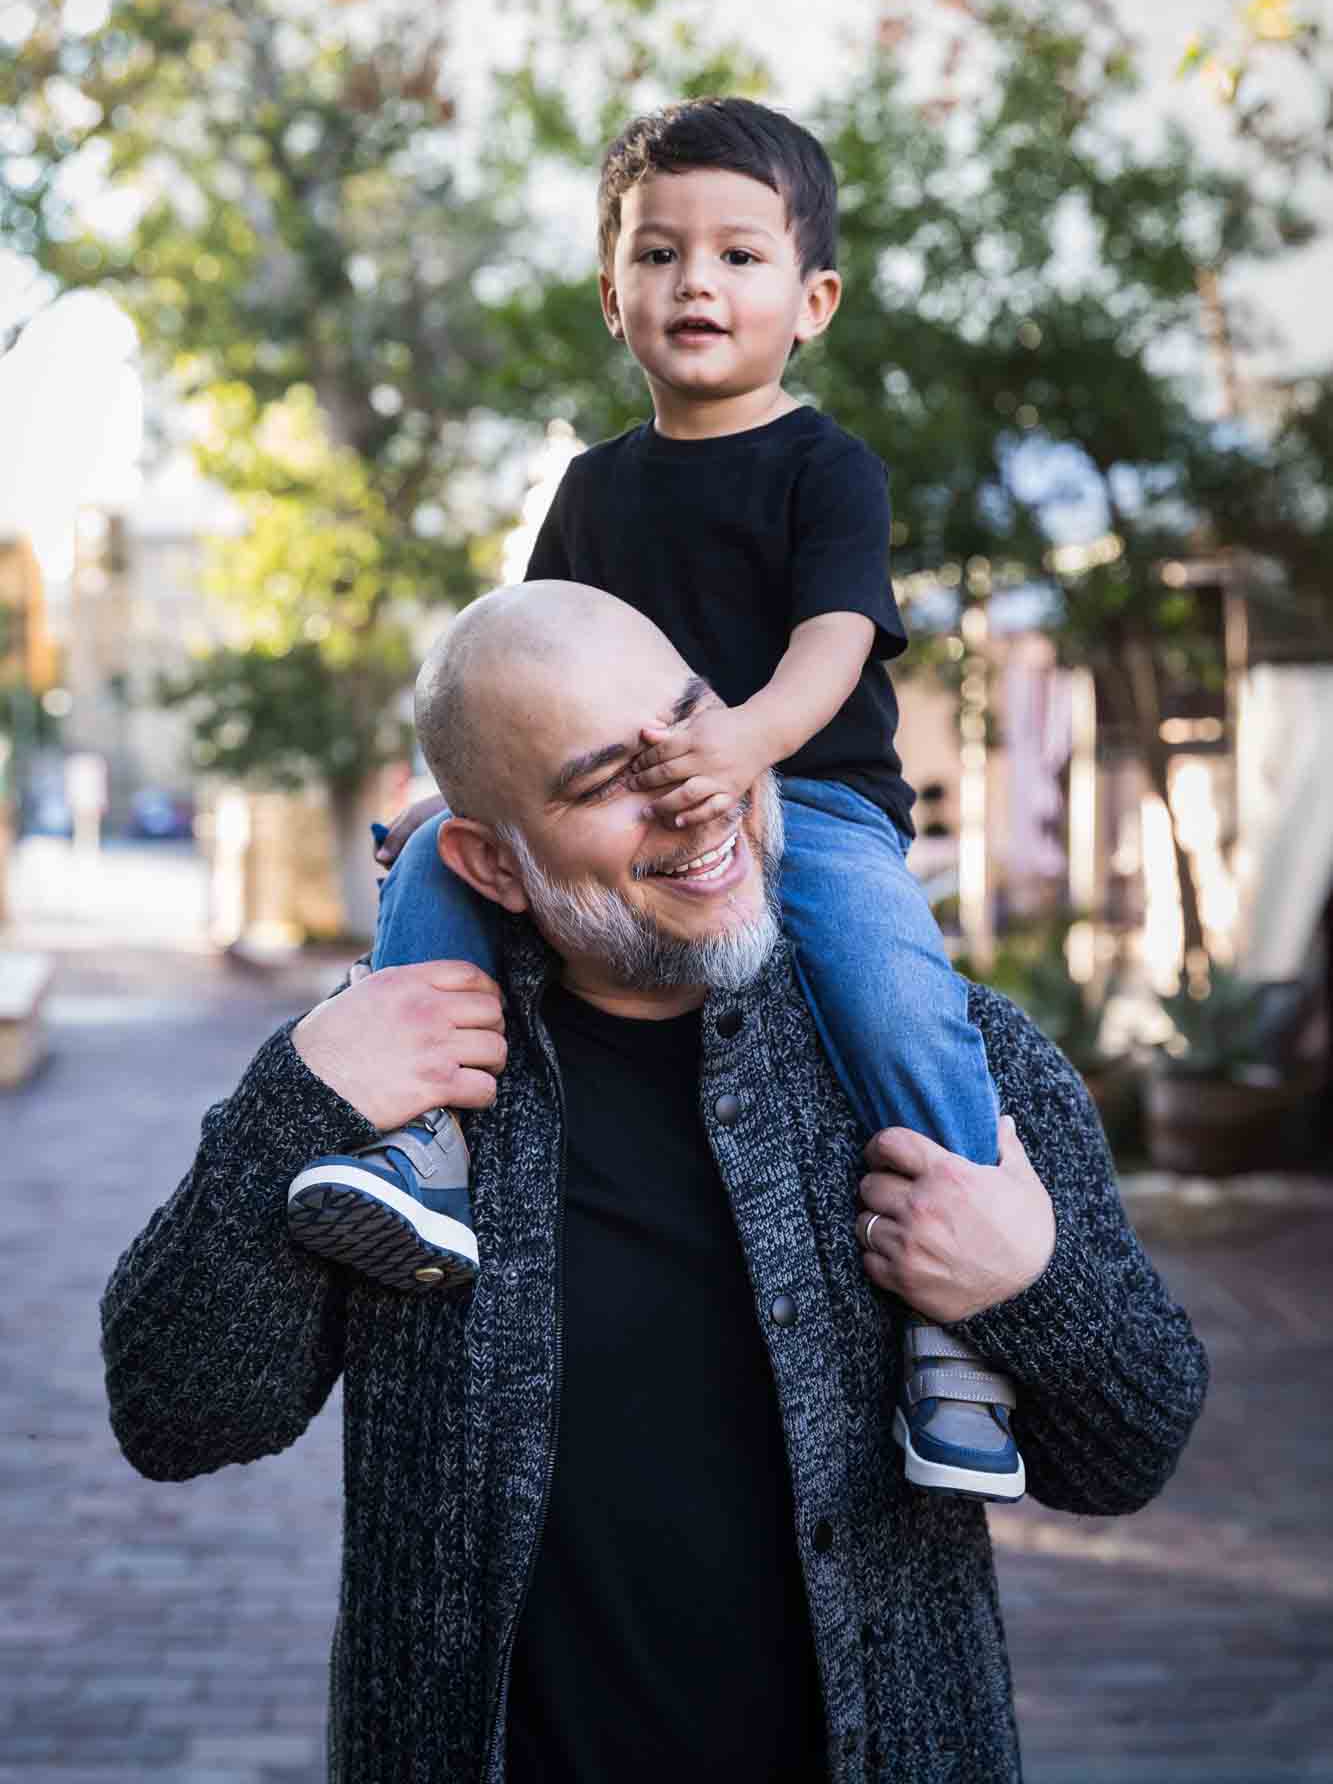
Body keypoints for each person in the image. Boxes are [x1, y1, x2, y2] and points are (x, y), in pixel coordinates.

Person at [103, 582, 1209, 1784]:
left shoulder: (945, 1056)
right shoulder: (396, 1091)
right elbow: (177, 1411)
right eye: (605, 781)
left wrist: (1021, 1283)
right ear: (490, 860)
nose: (690, 792)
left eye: (690, 719)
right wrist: (293, 1107)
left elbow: (1127, 1451)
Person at [287, 96, 1020, 1499]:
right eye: (659, 253)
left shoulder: (827, 469)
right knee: (442, 852)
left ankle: (958, 1316)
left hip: (811, 798)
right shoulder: (592, 487)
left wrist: (744, 746)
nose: (697, 282)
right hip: (636, 813)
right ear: (613, 293)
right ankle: (422, 1142)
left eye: (740, 257)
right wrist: (430, 788)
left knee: (896, 989)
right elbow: (515, 663)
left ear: (811, 299)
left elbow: (835, 645)